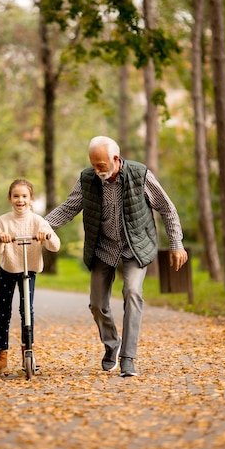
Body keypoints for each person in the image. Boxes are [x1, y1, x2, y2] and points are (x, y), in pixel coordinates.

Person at [45, 136, 188, 377]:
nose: (96, 169)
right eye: (93, 164)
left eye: (100, 164)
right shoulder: (88, 179)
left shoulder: (139, 174)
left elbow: (167, 207)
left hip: (136, 245)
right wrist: (42, 226)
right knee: (97, 305)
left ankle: (128, 357)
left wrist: (176, 244)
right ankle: (112, 344)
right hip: (104, 247)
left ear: (115, 159)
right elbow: (68, 208)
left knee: (132, 292)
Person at [0, 179, 60, 375]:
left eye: (24, 196)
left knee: (26, 310)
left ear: (31, 199)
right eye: (16, 196)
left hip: (29, 271)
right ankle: (1, 357)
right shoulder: (4, 220)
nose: (20, 200)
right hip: (8, 269)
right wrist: (0, 240)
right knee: (3, 312)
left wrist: (47, 235)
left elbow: (55, 246)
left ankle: (27, 353)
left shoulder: (38, 221)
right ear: (10, 198)